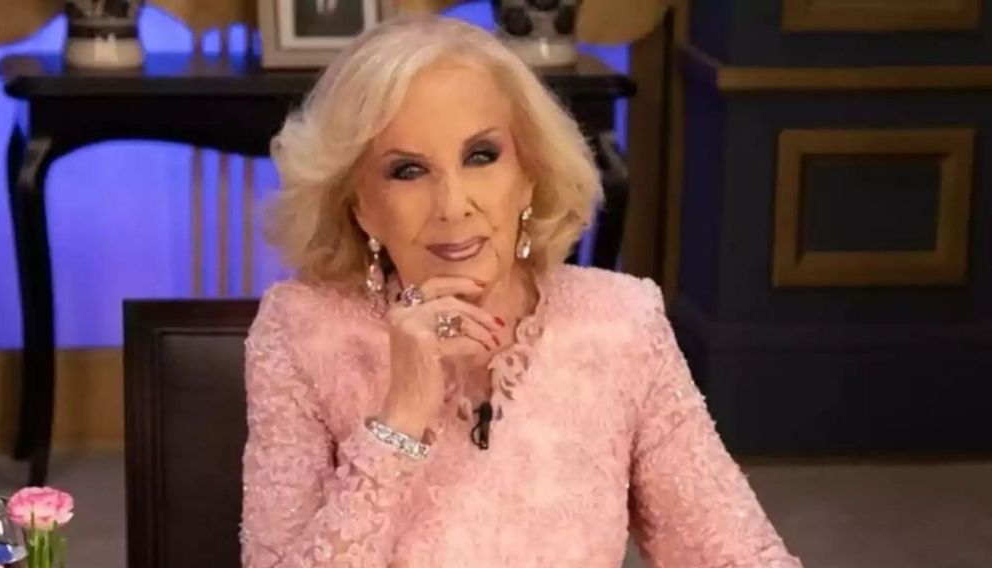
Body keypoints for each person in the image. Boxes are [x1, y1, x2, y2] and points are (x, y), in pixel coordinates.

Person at [241, 15, 802, 568]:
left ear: (529, 173)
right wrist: (400, 422)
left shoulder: (621, 324)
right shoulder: (301, 334)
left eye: (481, 157)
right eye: (408, 171)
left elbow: (737, 555)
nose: (453, 205)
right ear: (361, 206)